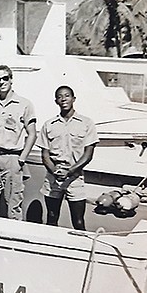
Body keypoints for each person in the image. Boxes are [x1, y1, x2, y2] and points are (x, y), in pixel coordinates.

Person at [0, 65, 37, 220]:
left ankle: (13, 241)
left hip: (13, 158)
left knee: (14, 204)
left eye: (5, 78)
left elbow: (32, 134)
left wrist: (22, 158)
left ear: (11, 79)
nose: (2, 82)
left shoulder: (24, 104)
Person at [37, 86, 98, 230]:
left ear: (73, 99)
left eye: (67, 95)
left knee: (78, 221)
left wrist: (69, 172)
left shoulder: (86, 123)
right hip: (53, 178)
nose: (63, 99)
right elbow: (45, 154)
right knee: (51, 218)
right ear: (56, 101)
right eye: (59, 96)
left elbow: (88, 154)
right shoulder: (49, 125)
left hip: (75, 178)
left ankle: (82, 248)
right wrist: (55, 172)